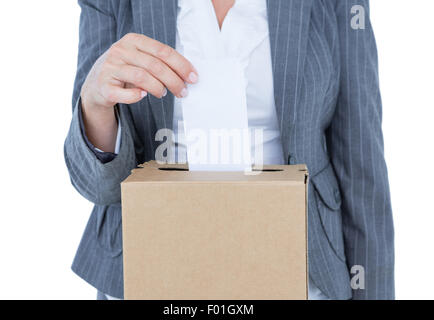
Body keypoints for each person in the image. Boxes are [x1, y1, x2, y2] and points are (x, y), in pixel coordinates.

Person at [64, 0, 394, 300]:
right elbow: (96, 184)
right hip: (153, 269)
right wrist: (94, 103)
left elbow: (361, 165)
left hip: (298, 271)